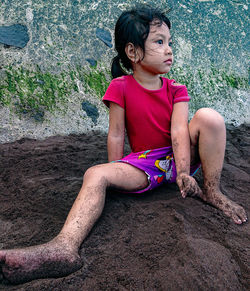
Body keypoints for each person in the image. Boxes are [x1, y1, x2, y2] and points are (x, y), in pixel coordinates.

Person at [0, 5, 247, 284]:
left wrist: (183, 173)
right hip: (145, 165)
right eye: (159, 42)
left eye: (169, 42)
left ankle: (212, 190)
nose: (169, 50)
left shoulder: (176, 89)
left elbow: (179, 131)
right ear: (132, 52)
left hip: (180, 161)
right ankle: (64, 246)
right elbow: (116, 134)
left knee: (209, 117)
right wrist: (113, 172)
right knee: (95, 173)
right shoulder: (120, 87)